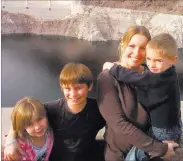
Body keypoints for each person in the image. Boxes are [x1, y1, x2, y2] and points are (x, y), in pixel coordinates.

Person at [97, 25, 179, 161]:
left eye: (143, 48)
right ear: (123, 44)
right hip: (121, 155)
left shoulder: (153, 73)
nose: (137, 52)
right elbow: (119, 124)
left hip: (153, 153)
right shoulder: (107, 78)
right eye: (132, 46)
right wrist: (160, 149)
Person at [4, 63, 106, 161]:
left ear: (90, 86)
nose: (73, 94)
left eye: (78, 88)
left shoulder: (98, 109)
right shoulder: (51, 109)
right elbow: (22, 118)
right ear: (62, 88)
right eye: (67, 89)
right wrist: (10, 141)